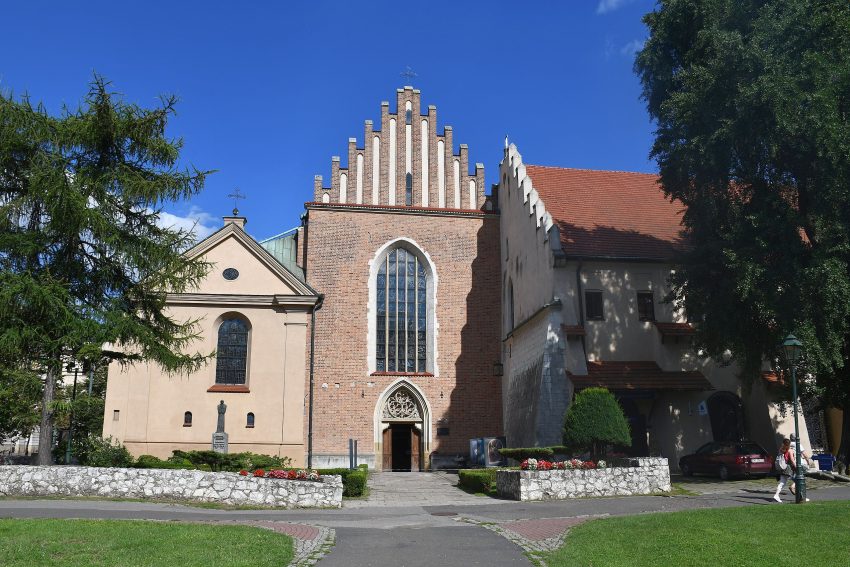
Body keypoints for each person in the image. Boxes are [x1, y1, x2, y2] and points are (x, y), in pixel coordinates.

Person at [773, 438, 795, 503]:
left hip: (783, 467)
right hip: (788, 468)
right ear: (789, 444)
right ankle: (801, 497)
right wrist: (796, 466)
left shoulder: (781, 449)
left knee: (782, 482)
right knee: (798, 480)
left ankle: (776, 495)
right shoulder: (789, 450)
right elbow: (792, 460)